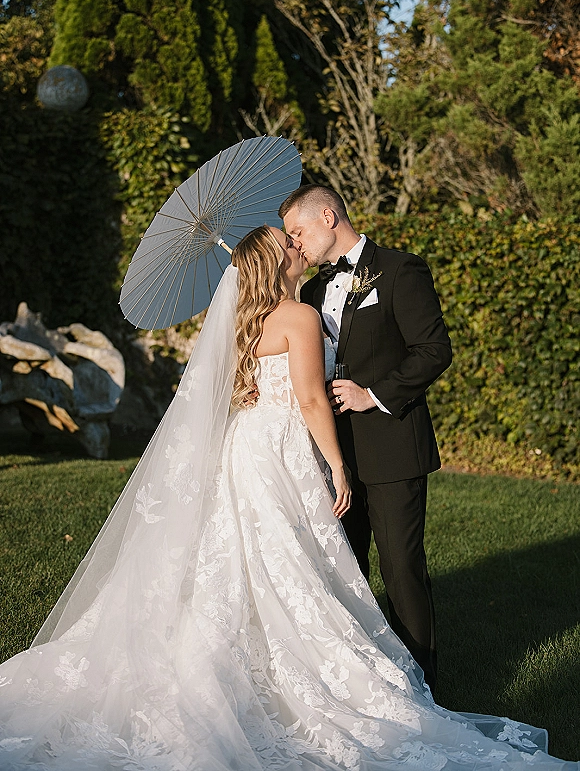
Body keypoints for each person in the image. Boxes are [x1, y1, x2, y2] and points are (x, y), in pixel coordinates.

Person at [0, 226, 575, 771]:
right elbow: (309, 399)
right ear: (279, 264)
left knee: (247, 562)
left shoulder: (242, 322)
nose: (297, 245)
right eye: (287, 243)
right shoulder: (298, 314)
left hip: (244, 445)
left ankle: (254, 667)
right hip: (280, 448)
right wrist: (336, 464)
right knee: (288, 561)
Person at [280, 184, 452, 691]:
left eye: (298, 231)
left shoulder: (401, 270)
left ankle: (423, 685)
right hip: (332, 452)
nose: (295, 244)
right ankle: (362, 684)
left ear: (328, 216)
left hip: (393, 446)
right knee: (343, 572)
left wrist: (372, 393)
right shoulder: (308, 294)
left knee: (400, 571)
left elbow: (433, 350)